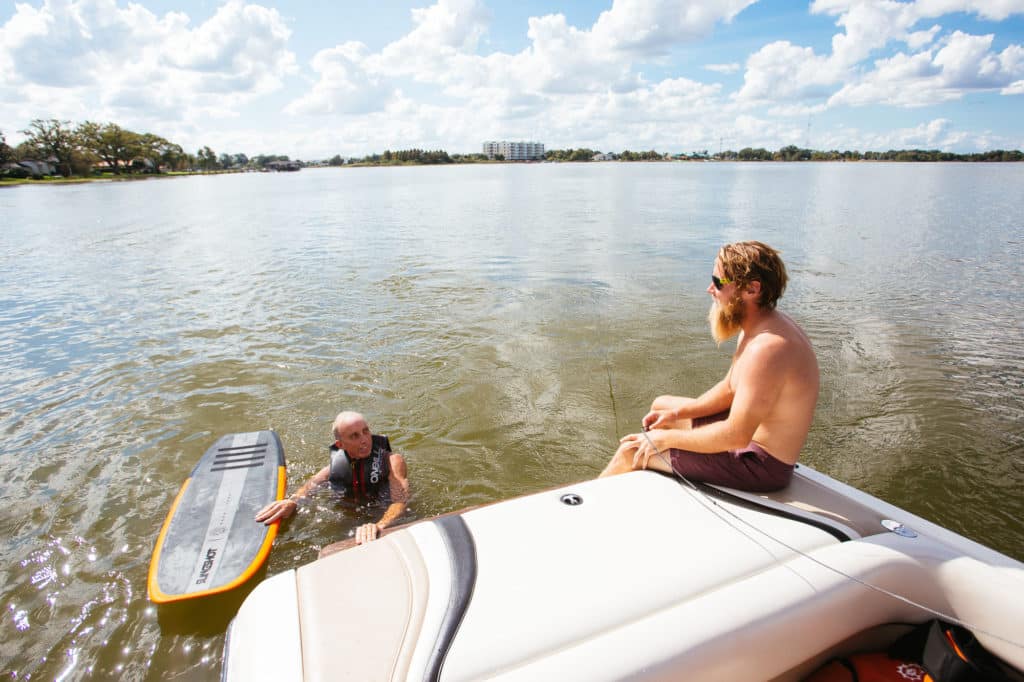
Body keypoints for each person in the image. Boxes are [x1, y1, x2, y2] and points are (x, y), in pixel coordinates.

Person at [599, 241, 819, 492]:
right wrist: (677, 414)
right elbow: (729, 388)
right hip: (751, 441)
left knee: (631, 450)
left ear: (751, 289)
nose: (709, 289)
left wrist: (665, 439)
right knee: (662, 406)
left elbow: (737, 435)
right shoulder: (762, 326)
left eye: (718, 282)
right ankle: (664, 469)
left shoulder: (767, 348)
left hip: (759, 466)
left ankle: (587, 509)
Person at [255, 411, 410, 546]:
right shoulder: (333, 468)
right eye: (354, 436)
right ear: (340, 444)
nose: (364, 439)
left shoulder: (393, 461)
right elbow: (310, 486)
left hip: (383, 514)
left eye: (365, 431)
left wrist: (379, 525)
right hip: (350, 516)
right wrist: (292, 501)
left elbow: (400, 501)